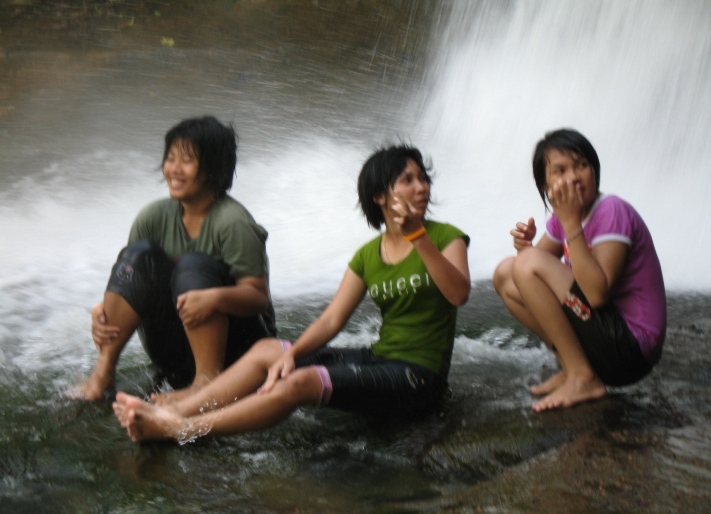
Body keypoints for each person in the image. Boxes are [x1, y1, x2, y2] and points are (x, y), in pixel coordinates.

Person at [112, 144, 470, 442]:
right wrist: (292, 353)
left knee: (299, 382)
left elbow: (458, 294)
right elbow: (331, 319)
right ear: (380, 195)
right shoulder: (368, 255)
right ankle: (172, 410)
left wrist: (417, 237)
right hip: (382, 358)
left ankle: (184, 429)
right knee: (270, 350)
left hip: (419, 377)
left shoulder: (445, 237)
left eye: (423, 178)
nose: (421, 187)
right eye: (408, 180)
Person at [75, 116, 276, 401]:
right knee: (138, 254)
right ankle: (103, 373)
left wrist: (215, 298)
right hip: (176, 345)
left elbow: (258, 297)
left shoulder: (233, 223)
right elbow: (132, 279)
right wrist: (101, 311)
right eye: (170, 159)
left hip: (242, 352)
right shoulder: (153, 217)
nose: (174, 169)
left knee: (193, 265)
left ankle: (206, 385)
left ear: (212, 168)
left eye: (187, 161)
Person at [493, 129, 666, 411]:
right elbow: (530, 277)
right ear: (546, 186)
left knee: (525, 264)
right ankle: (572, 367)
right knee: (505, 273)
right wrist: (524, 245)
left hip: (630, 349)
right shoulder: (564, 218)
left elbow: (597, 295)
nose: (573, 177)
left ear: (595, 170)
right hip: (603, 338)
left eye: (581, 166)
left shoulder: (611, 210)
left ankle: (582, 377)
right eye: (560, 171)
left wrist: (571, 224)